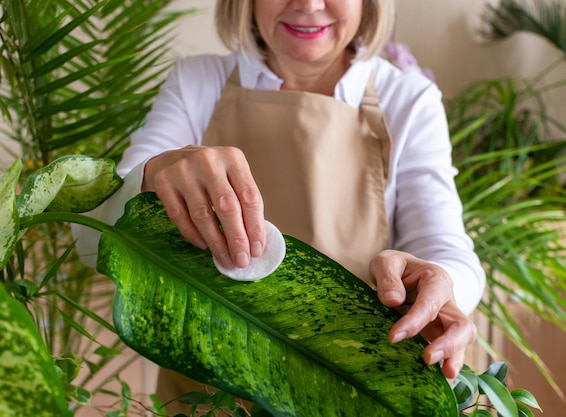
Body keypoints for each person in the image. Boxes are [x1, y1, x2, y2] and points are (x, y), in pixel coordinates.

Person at [74, 0, 486, 414]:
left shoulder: (408, 101)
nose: (309, 4)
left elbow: (445, 247)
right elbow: (92, 236)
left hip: (344, 394)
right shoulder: (197, 82)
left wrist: (441, 281)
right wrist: (153, 174)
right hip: (205, 400)